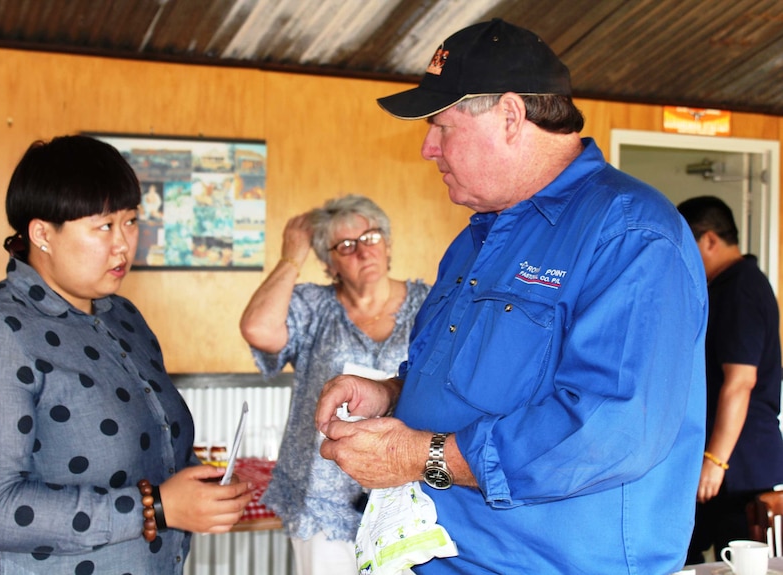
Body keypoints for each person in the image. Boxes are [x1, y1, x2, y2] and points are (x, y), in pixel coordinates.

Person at [313, 19, 709, 575]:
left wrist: (417, 455)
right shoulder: (476, 238)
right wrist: (392, 393)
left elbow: (608, 428)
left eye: (441, 127)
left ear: (510, 116)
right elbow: (479, 381)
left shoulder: (630, 234)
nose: (428, 149)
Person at [0, 135, 252, 574]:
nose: (124, 244)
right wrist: (155, 509)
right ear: (42, 234)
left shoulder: (122, 317)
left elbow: (145, 455)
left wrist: (199, 486)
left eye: (131, 221)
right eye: (103, 226)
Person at [239, 194, 430, 575]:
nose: (362, 251)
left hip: (406, 494)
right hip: (321, 501)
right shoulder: (314, 306)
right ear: (329, 264)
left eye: (371, 237)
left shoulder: (430, 303)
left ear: (388, 243)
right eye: (345, 246)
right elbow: (258, 329)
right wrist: (291, 256)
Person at [678, 196, 783, 563]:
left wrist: (715, 460)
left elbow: (741, 380)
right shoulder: (724, 286)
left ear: (709, 239)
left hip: (736, 465)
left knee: (740, 564)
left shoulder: (741, 287)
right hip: (723, 460)